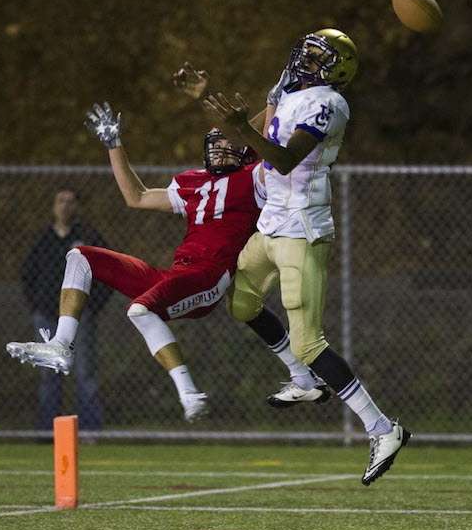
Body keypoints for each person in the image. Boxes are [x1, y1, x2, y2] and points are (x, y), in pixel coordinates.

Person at [175, 28, 410, 485]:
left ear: (333, 69)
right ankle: (303, 381)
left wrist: (242, 126)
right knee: (242, 303)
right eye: (305, 52)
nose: (303, 60)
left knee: (309, 342)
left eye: (314, 56)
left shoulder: (330, 103)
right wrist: (209, 98)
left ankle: (383, 428)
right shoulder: (286, 90)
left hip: (302, 229)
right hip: (271, 225)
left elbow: (282, 159)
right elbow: (251, 141)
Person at [7, 102, 328, 422]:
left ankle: (189, 392)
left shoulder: (253, 178)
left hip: (210, 275)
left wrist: (273, 103)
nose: (219, 149)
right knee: (80, 257)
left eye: (227, 144)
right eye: (214, 144)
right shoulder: (192, 182)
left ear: (244, 150)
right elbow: (137, 197)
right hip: (176, 273)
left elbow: (271, 148)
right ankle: (62, 345)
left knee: (139, 309)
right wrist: (113, 144)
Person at [20, 188, 111, 431]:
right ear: (53, 206)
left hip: (80, 317)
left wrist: (92, 306)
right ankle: (48, 431)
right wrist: (37, 307)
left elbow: (108, 271)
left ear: (77, 207)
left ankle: (90, 431)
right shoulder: (44, 240)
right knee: (49, 374)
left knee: (85, 373)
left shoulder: (88, 237)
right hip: (47, 317)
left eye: (71, 201)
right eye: (61, 201)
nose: (65, 206)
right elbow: (27, 276)